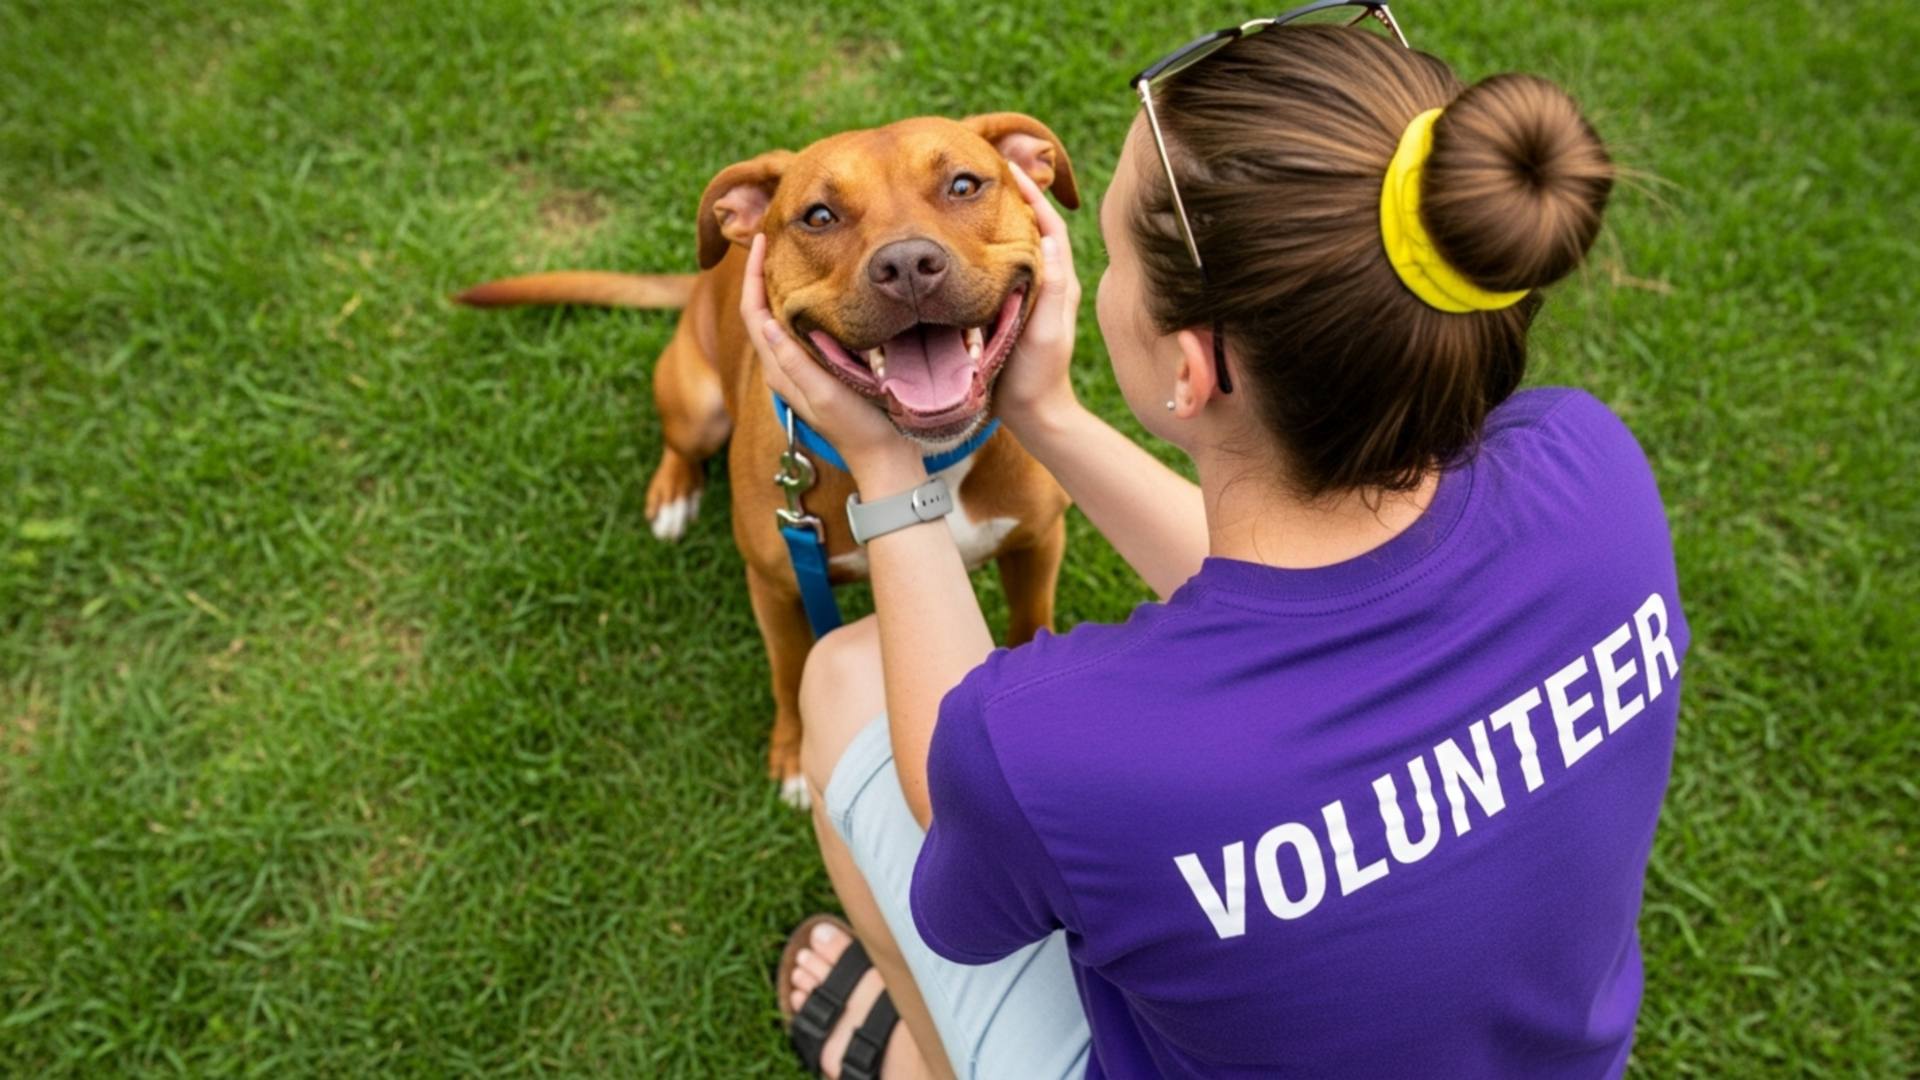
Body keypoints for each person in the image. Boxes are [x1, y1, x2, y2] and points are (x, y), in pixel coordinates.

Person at [747, 9, 1685, 1079]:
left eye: (1103, 256)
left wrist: (883, 469)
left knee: (844, 672)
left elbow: (946, 805)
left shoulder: (1055, 748)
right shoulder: (1591, 467)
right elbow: (1334, 587)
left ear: (1188, 370)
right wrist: (1046, 416)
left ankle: (921, 1059)